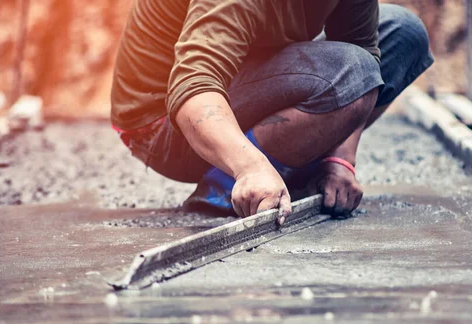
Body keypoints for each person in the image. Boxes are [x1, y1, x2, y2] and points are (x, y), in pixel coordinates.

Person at [111, 0, 433, 223]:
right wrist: (249, 167)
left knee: (404, 35)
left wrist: (340, 161)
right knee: (353, 72)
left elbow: (362, 51)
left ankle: (287, 162)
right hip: (163, 122)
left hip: (249, 70)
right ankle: (226, 185)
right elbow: (193, 85)